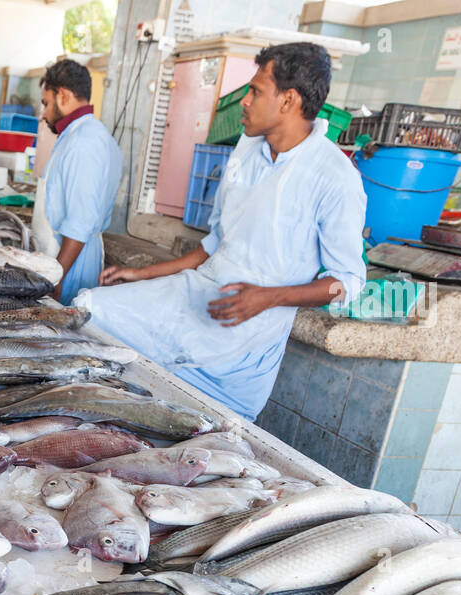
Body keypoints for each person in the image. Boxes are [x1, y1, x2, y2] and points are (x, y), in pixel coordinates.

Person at [81, 42, 366, 421]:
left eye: (256, 91)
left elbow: (347, 283)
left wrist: (269, 298)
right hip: (194, 301)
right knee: (88, 310)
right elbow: (214, 244)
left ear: (289, 100)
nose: (244, 102)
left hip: (243, 342)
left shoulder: (335, 177)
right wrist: (143, 274)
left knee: (195, 427)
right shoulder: (247, 147)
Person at [34, 59, 121, 306]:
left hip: (70, 262)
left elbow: (80, 221)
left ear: (63, 96)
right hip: (60, 256)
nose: (43, 114)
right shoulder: (79, 134)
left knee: (62, 321)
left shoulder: (85, 142)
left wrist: (58, 276)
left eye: (46, 103)